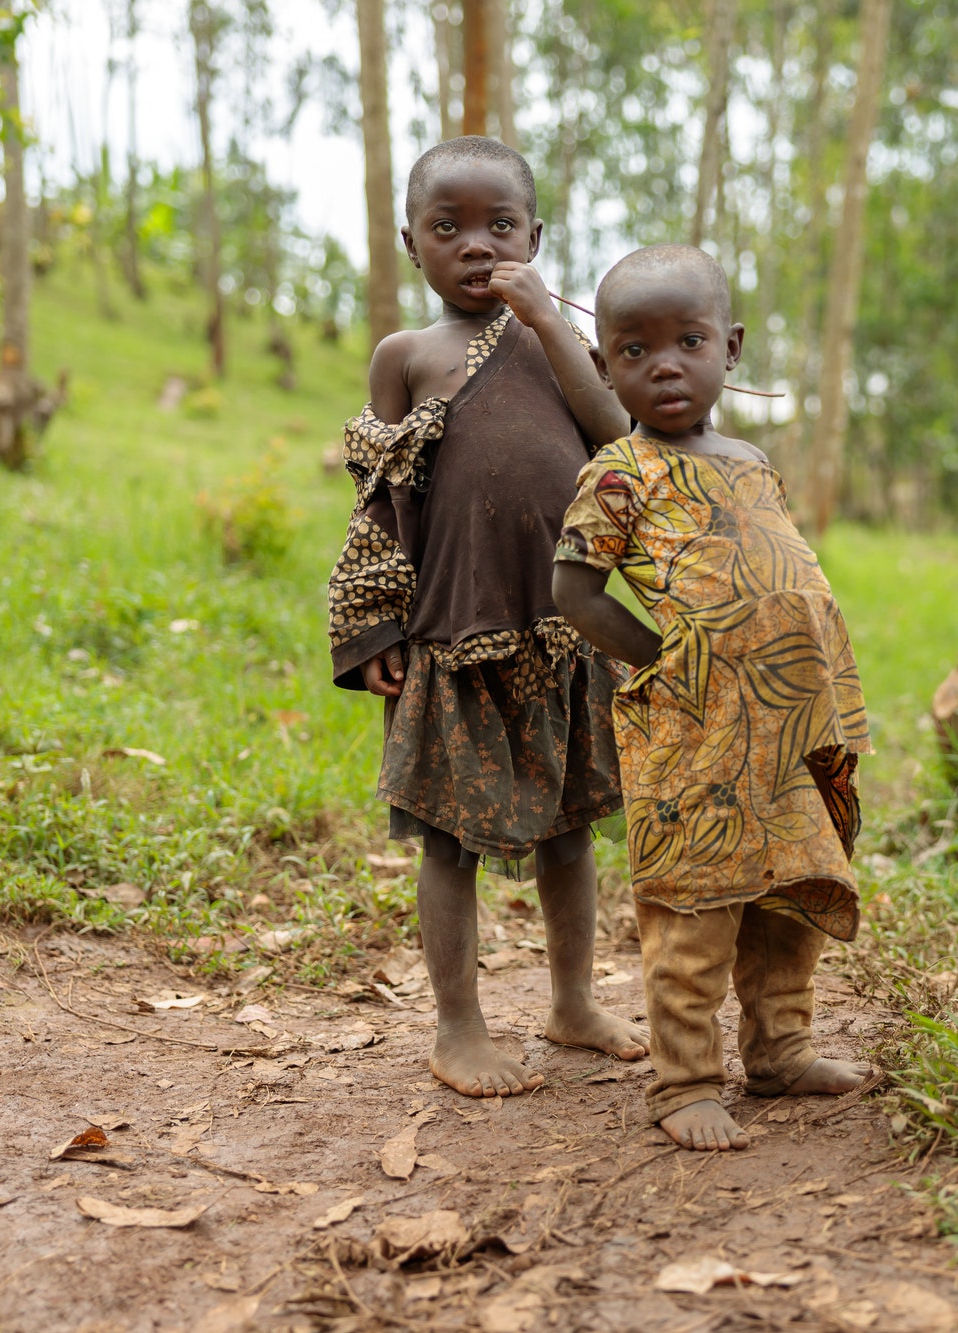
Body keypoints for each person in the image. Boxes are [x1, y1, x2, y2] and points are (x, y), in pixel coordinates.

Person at [326, 137, 647, 1098]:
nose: (476, 244)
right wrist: (373, 627)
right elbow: (380, 500)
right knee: (447, 837)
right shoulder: (406, 357)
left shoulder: (560, 345)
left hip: (562, 627)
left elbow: (617, 434)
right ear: (410, 242)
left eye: (499, 226)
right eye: (448, 226)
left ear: (536, 237)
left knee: (572, 827)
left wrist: (550, 323)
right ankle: (458, 1024)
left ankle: (572, 1000)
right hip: (449, 633)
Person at [552, 244, 876, 1151]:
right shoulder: (619, 471)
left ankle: (782, 1051)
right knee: (693, 908)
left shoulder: (752, 460)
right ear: (607, 365)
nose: (664, 363)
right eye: (633, 349)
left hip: (789, 733)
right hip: (693, 735)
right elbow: (574, 593)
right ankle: (685, 1080)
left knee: (788, 901)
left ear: (728, 348)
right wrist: (665, 661)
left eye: (687, 340)